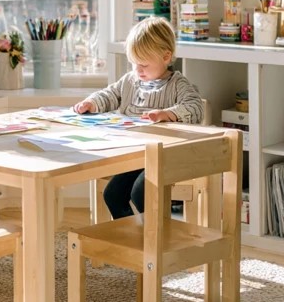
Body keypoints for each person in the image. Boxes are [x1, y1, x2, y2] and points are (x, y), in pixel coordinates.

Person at [73, 15, 203, 218]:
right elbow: (110, 94)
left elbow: (195, 107)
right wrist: (91, 102)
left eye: (143, 64)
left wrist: (168, 114)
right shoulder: (130, 81)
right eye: (133, 63)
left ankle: (155, 236)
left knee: (141, 192)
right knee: (112, 195)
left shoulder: (178, 85)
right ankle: (135, 235)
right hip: (134, 155)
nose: (137, 70)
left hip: (165, 156)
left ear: (166, 57)